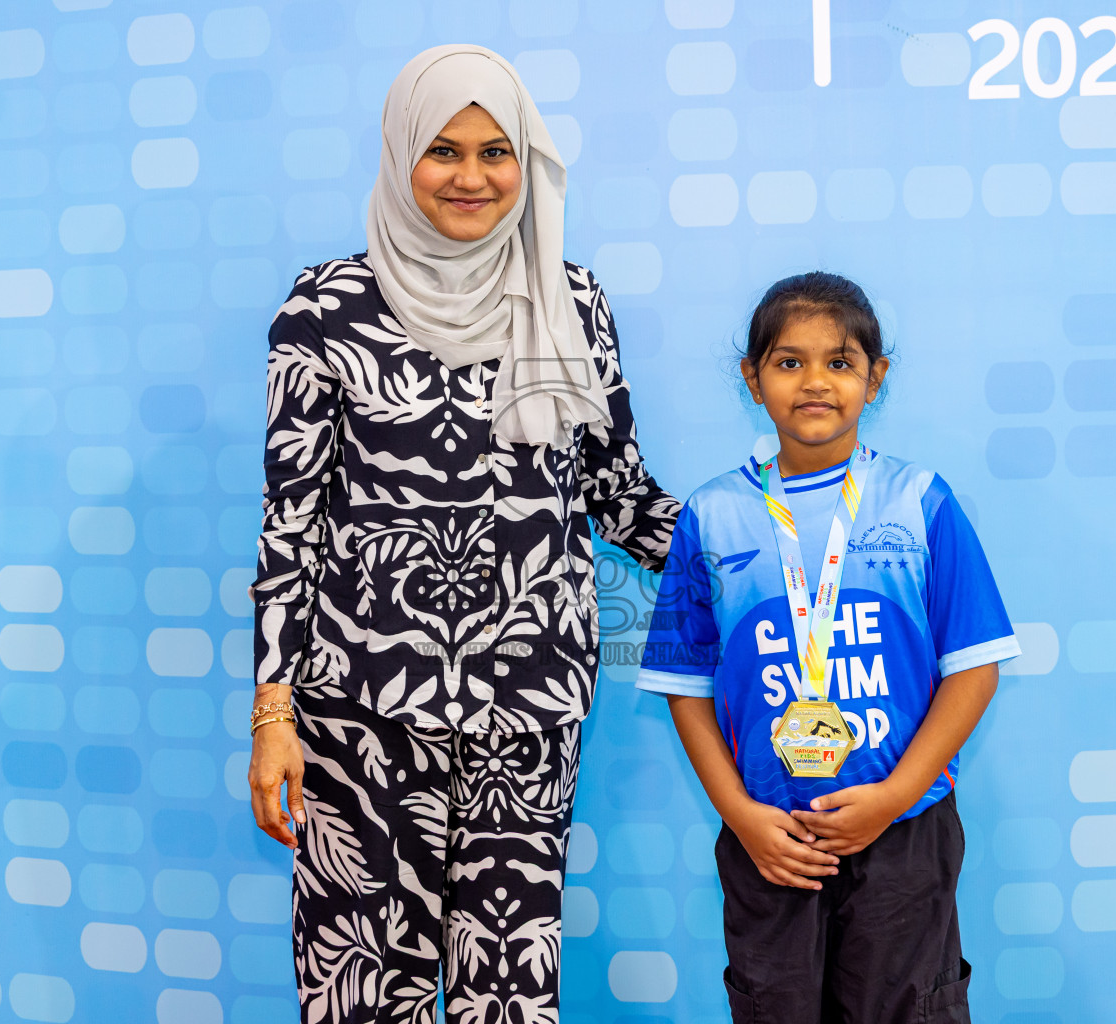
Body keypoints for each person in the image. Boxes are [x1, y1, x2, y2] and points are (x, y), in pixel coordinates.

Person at [246, 45, 680, 1024]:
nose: (473, 177)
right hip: (362, 713)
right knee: (364, 995)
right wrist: (274, 713)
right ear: (402, 155)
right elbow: (292, 521)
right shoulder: (325, 309)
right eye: (444, 150)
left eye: (498, 151)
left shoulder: (573, 301)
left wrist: (754, 542)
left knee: (510, 999)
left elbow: (615, 492)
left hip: (527, 714)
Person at [635, 272, 1021, 1023]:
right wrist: (741, 816)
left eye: (840, 362)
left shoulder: (919, 501)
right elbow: (686, 686)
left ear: (876, 378)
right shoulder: (712, 516)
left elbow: (973, 674)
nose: (815, 382)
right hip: (769, 839)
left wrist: (894, 797)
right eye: (789, 362)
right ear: (752, 377)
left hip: (904, 830)